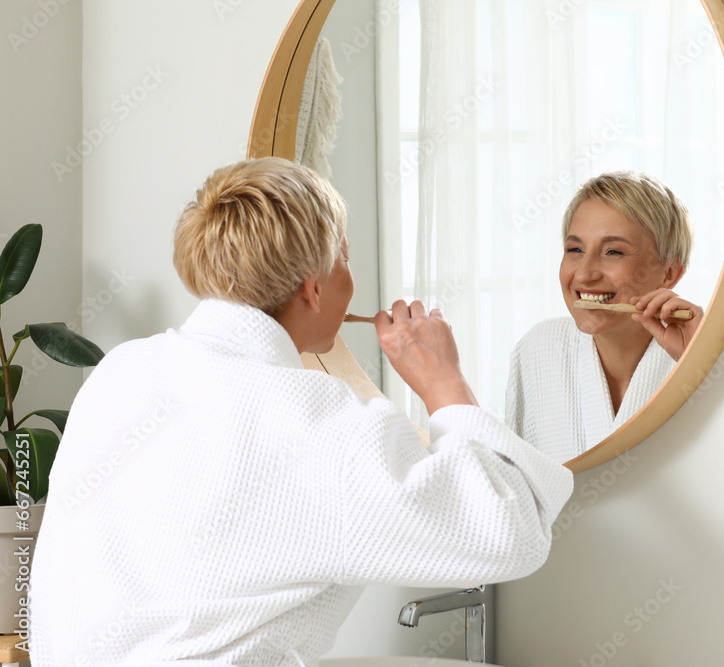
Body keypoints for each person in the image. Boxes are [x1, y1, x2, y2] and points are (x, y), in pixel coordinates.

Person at [29, 157, 573, 667]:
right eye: (346, 256)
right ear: (313, 287)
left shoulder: (122, 372)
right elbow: (507, 534)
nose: (350, 276)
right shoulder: (313, 419)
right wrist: (441, 381)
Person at [506, 171, 703, 462]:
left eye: (612, 251)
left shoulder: (701, 354)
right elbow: (519, 482)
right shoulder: (538, 350)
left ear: (668, 273)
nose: (584, 273)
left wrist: (701, 363)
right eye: (575, 249)